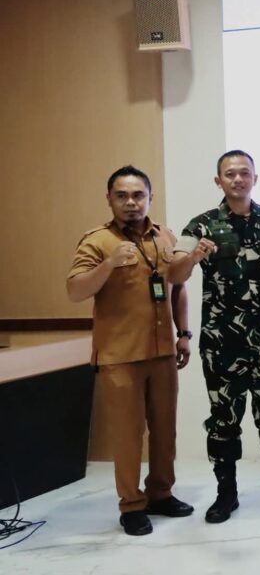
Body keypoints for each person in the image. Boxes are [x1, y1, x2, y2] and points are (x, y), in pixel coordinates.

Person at [169, 150, 260, 523]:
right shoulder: (201, 225)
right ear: (219, 181)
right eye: (230, 174)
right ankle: (225, 494)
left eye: (245, 173)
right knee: (224, 420)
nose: (238, 179)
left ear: (255, 179)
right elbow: (173, 274)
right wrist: (194, 255)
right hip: (222, 343)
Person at [66, 165, 194, 536]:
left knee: (165, 431)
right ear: (109, 200)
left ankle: (161, 494)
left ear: (150, 198)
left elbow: (177, 286)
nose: (131, 203)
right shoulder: (96, 241)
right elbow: (75, 290)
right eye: (121, 196)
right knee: (127, 435)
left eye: (138, 195)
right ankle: (131, 504)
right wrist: (108, 264)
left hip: (163, 353)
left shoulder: (164, 236)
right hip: (119, 356)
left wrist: (183, 333)